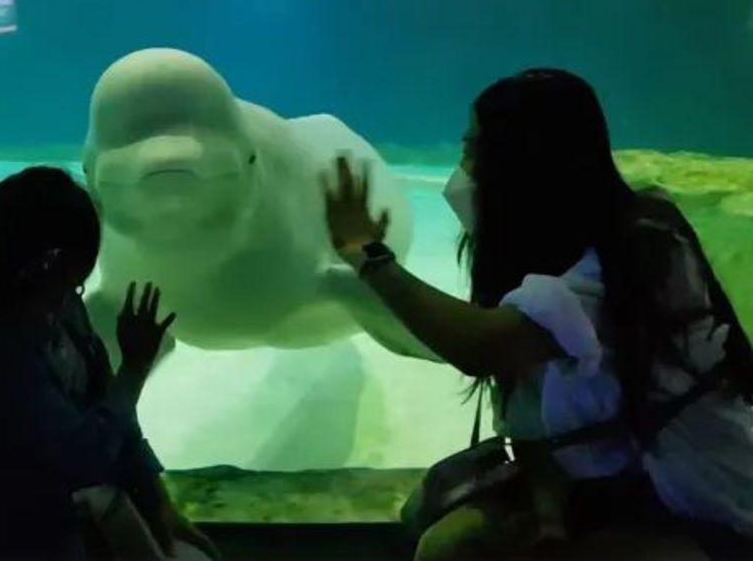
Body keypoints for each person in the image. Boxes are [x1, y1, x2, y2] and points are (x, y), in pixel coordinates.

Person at [322, 69, 753, 560]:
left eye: (474, 149)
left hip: (697, 498)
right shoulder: (535, 253)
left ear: (526, 158)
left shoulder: (642, 246)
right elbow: (528, 415)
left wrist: (370, 258)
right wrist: (549, 514)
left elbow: (482, 346)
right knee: (448, 547)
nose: (463, 168)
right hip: (597, 486)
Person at [0, 166, 219, 561]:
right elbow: (82, 459)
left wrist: (159, 505)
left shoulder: (61, 305)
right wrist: (135, 368)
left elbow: (107, 410)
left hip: (49, 532)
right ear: (60, 259)